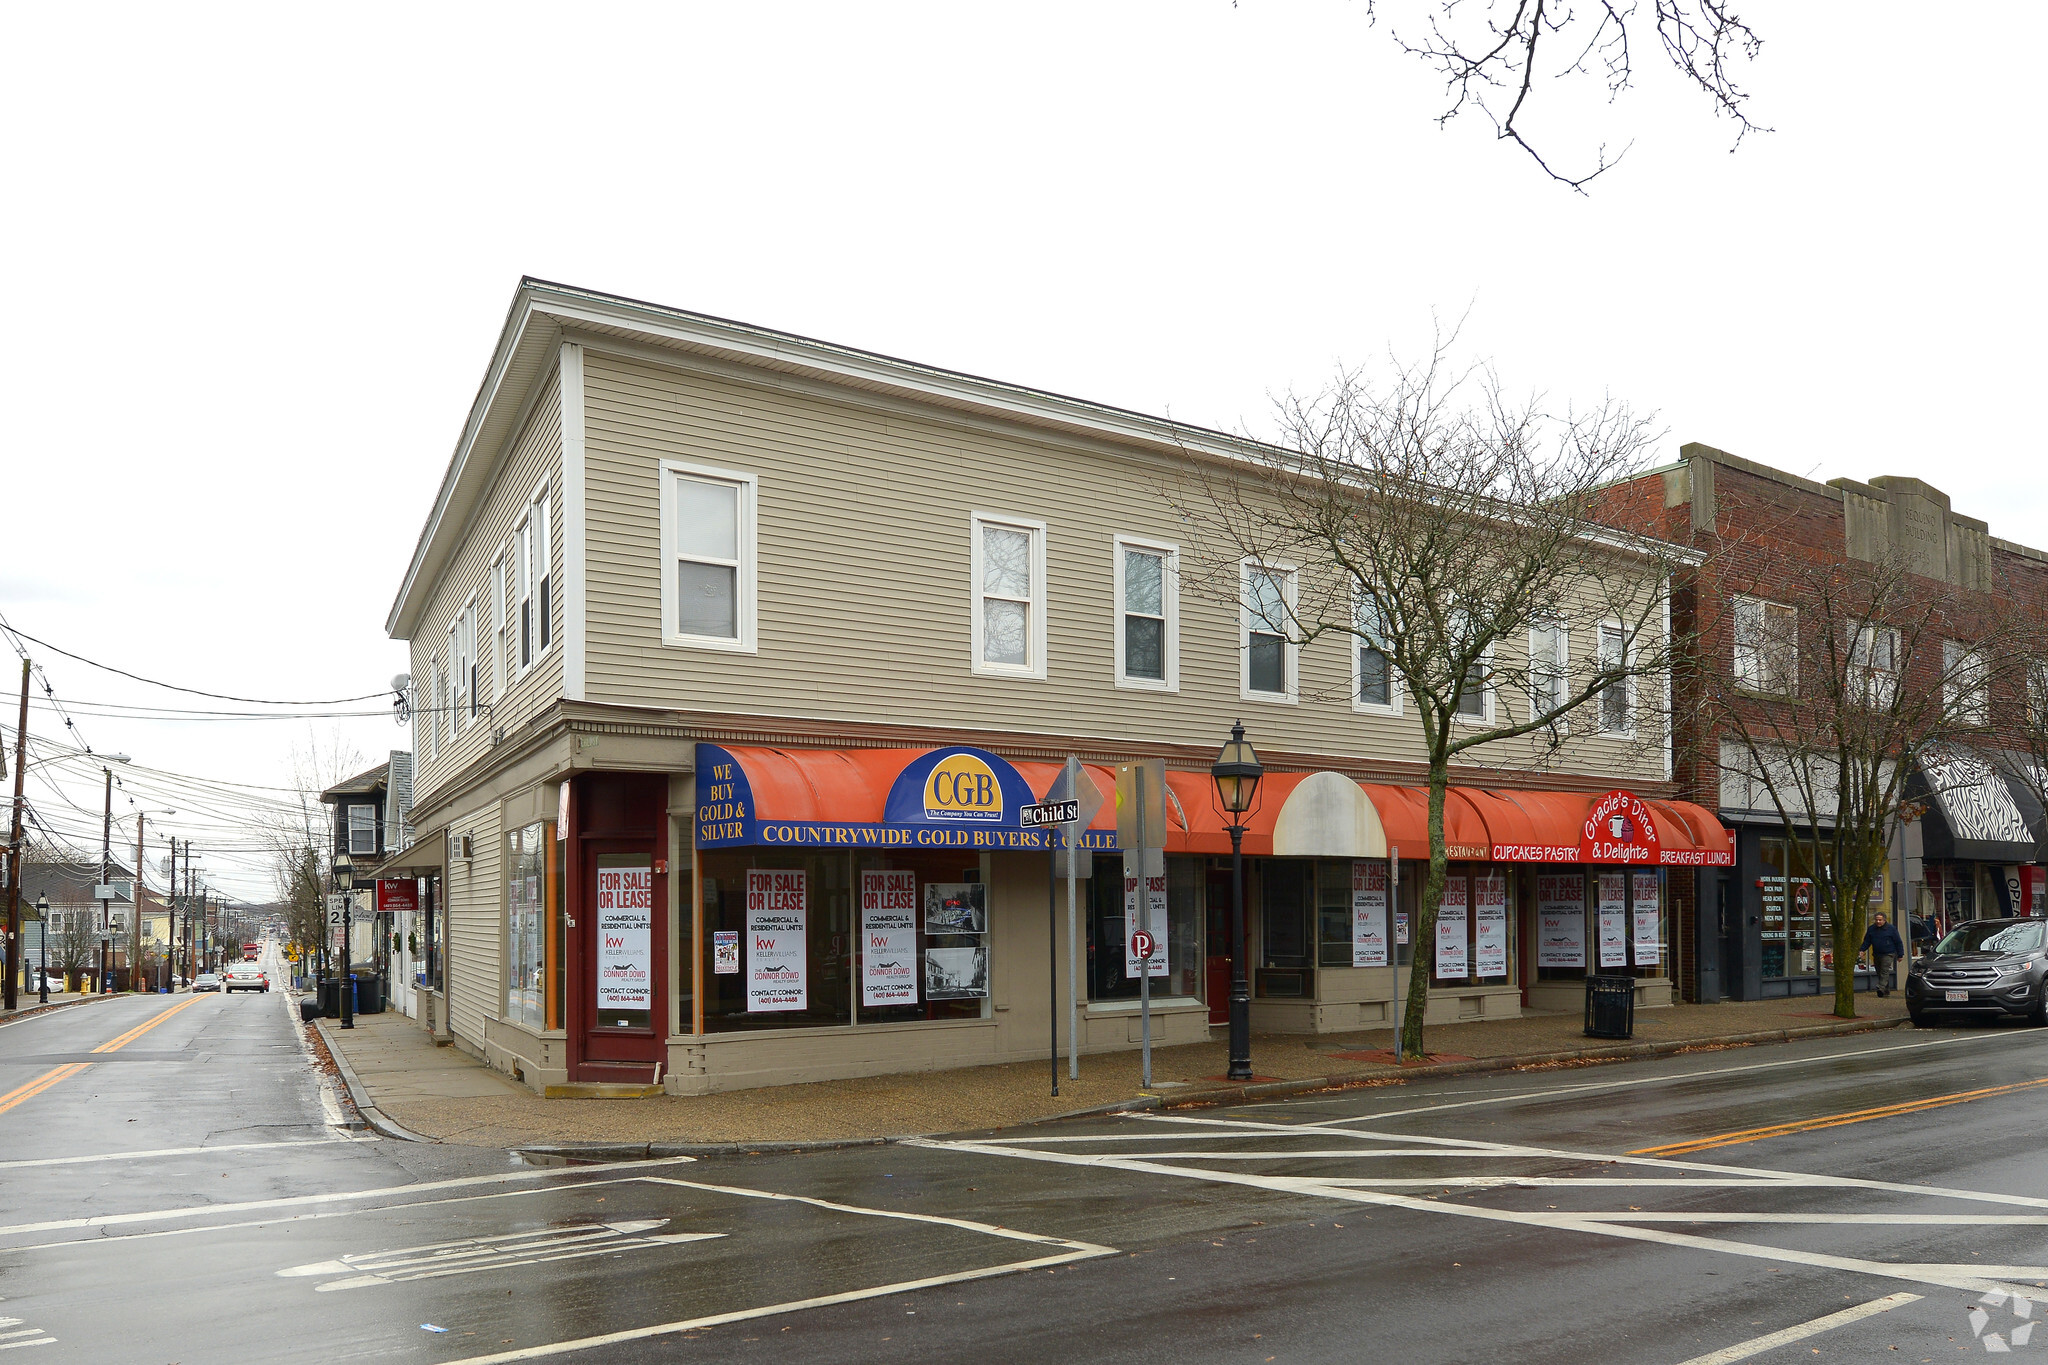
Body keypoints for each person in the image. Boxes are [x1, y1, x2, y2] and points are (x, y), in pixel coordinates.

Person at [1862, 912, 1906, 997]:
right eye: (1876, 920)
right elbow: (1867, 941)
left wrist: (1900, 954)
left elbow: (1898, 942)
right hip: (1877, 953)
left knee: (1884, 970)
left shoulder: (1891, 929)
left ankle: (1880, 987)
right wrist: (1862, 949)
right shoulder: (1871, 929)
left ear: (1884, 920)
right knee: (1879, 972)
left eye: (1880, 920)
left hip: (1888, 953)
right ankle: (1886, 990)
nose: (1878, 921)